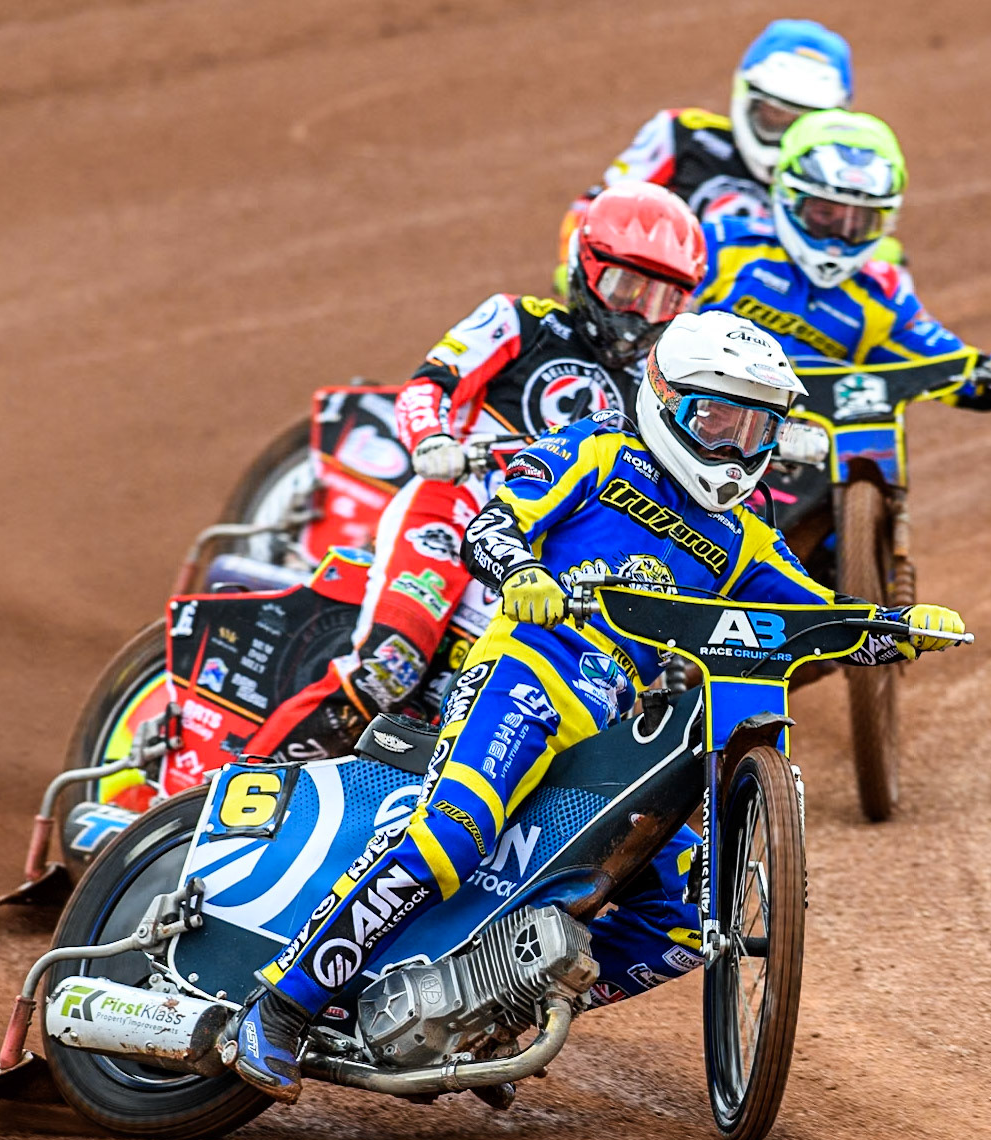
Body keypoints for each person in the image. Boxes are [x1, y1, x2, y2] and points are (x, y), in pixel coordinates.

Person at [226, 311, 967, 1101]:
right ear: (664, 399)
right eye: (716, 418)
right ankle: (280, 1008)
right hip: (523, 678)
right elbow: (494, 520)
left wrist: (895, 628)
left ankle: (492, 1008)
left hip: (612, 736)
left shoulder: (746, 538)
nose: (733, 447)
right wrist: (521, 572)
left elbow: (819, 615)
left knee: (686, 914)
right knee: (451, 834)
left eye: (757, 429)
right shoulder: (595, 452)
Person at [245, 181, 708, 762]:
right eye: (625, 287)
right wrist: (433, 440)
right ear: (584, 266)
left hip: (543, 557)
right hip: (452, 510)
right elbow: (429, 384)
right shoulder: (519, 320)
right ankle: (233, 785)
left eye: (663, 300)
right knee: (389, 667)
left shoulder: (653, 391)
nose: (638, 314)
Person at [691, 108, 991, 419]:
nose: (839, 237)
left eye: (859, 222)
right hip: (692, 419)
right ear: (790, 198)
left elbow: (955, 372)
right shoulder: (723, 244)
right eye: (825, 215)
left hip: (802, 453)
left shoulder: (881, 297)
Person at [553, 20, 909, 294]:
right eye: (775, 116)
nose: (787, 135)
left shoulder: (845, 182)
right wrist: (577, 263)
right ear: (746, 96)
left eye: (804, 121)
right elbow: (599, 204)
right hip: (662, 299)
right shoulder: (685, 135)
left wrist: (875, 261)